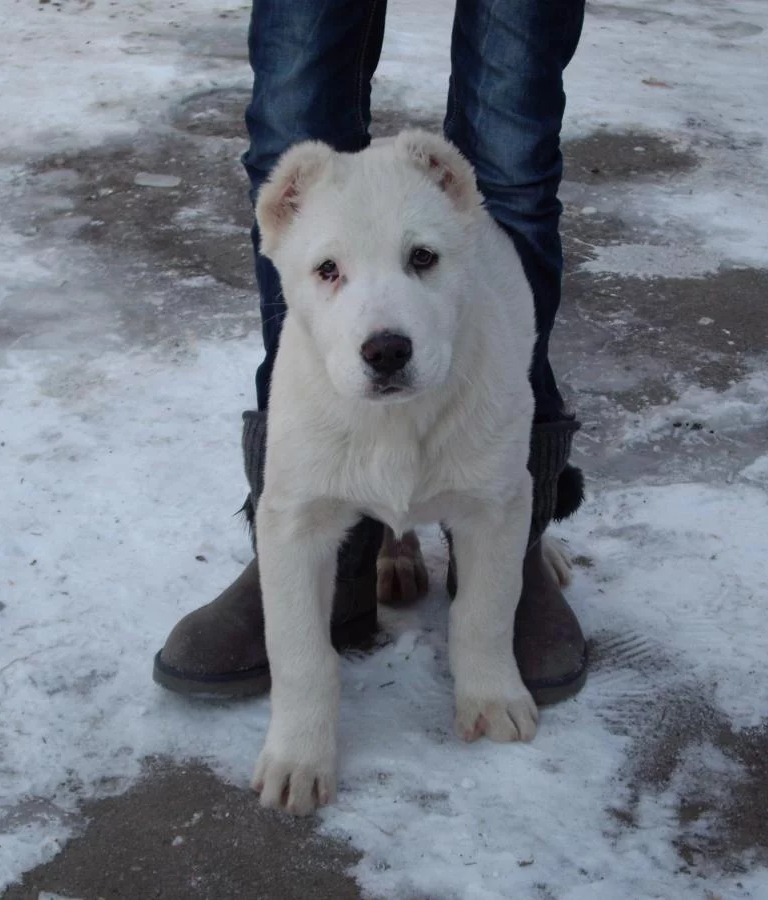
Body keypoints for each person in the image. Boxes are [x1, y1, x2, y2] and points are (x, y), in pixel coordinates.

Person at [153, 0, 589, 704]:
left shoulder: (459, 221)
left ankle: (513, 545)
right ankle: (325, 546)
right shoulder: (292, 230)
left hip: (477, 398)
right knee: (293, 105)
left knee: (513, 153)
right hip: (322, 412)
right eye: (330, 270)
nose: (382, 331)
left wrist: (482, 658)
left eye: (422, 259)